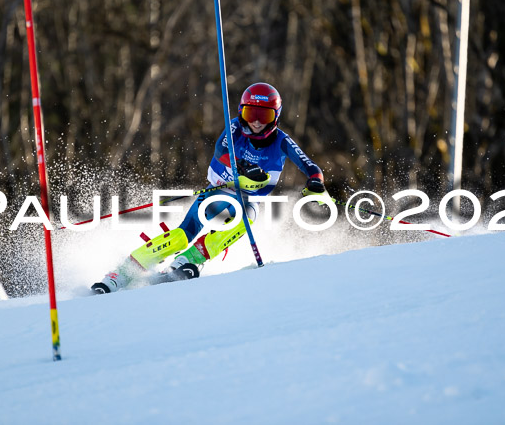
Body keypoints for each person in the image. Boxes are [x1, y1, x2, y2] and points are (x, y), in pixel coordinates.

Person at [92, 82, 328, 294]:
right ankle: (123, 273)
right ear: (241, 112)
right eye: (250, 113)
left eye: (263, 115)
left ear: (275, 117)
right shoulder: (235, 127)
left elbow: (310, 166)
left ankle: (188, 260)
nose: (255, 121)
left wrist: (315, 182)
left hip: (247, 200)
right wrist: (244, 167)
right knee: (182, 236)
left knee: (247, 218)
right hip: (217, 192)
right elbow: (221, 151)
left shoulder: (282, 141)